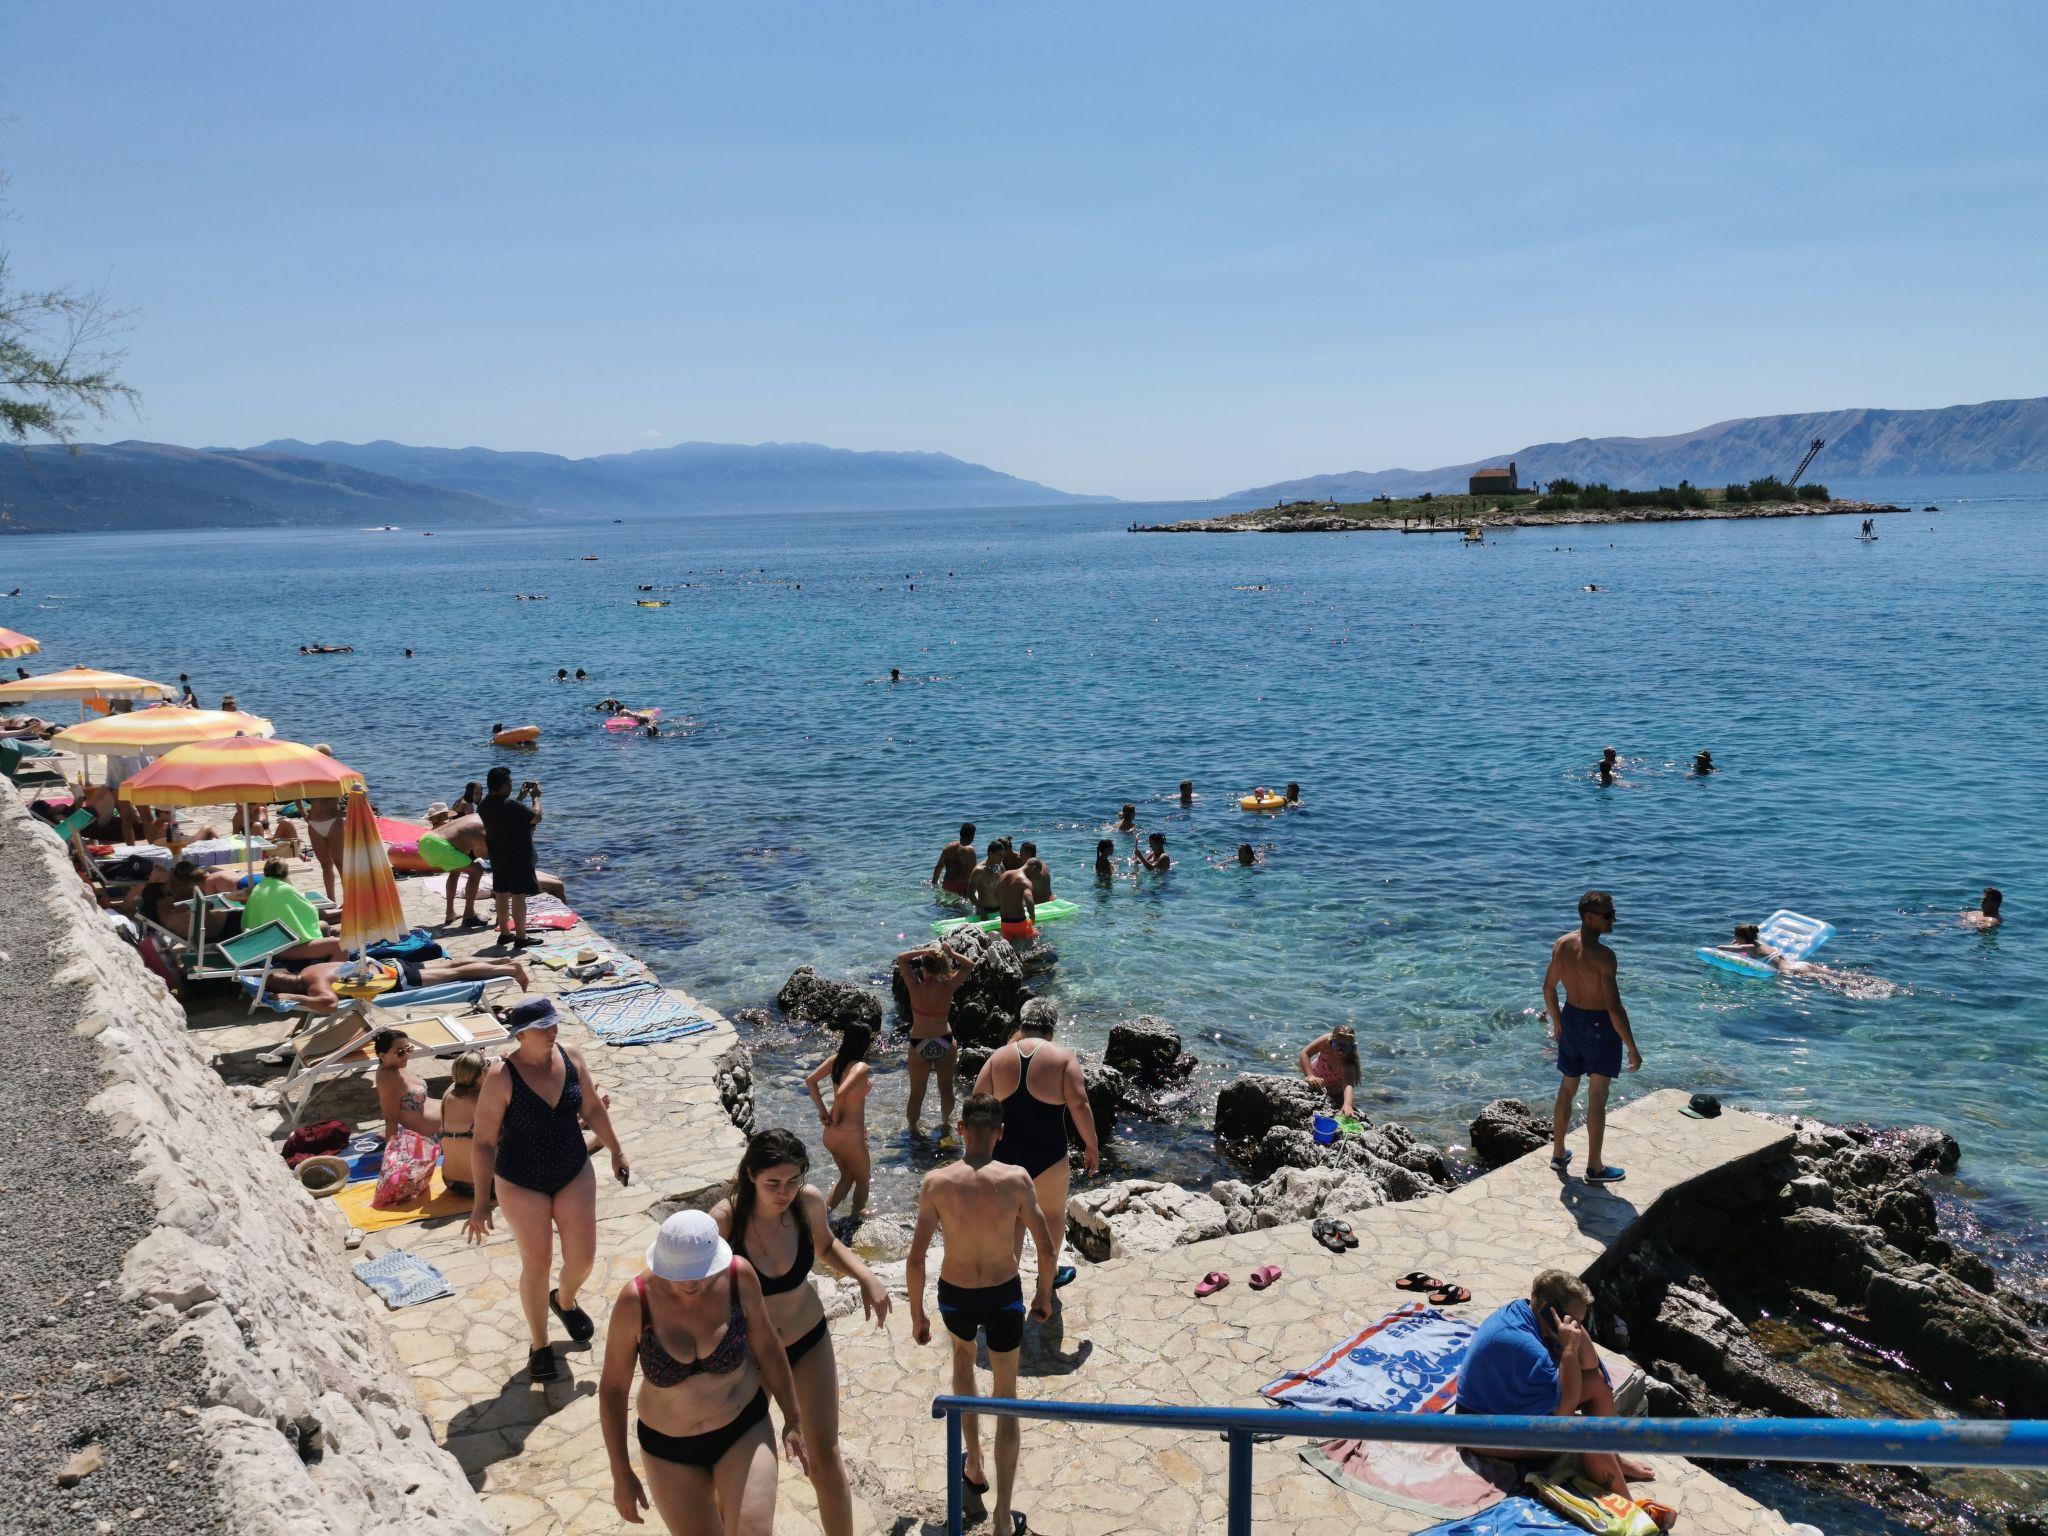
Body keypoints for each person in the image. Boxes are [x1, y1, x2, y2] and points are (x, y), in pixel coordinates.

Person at [710, 1131, 891, 1536]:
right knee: (741, 1465)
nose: (784, 1193)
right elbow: (692, 1288)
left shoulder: (807, 1203)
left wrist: (866, 1275)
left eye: (793, 1181)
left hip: (808, 1338)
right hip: (751, 1356)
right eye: (773, 1183)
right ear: (751, 1175)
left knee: (824, 1456)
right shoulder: (724, 1221)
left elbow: (825, 1247)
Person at [598, 1210, 806, 1535]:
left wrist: (793, 1418)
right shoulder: (635, 1302)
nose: (692, 1283)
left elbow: (768, 1345)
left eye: (700, 1272)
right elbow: (613, 1389)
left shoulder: (738, 1278)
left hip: (743, 1429)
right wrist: (620, 1472)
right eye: (681, 1274)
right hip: (669, 1451)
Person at [907, 1094, 1057, 1536]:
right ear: (1000, 1133)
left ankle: (973, 1464)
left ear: (961, 1128)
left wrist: (917, 1314)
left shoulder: (936, 1182)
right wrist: (1043, 1296)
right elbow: (1046, 1247)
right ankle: (1002, 1517)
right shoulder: (1016, 1179)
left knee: (962, 1364)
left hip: (956, 1295)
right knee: (1006, 1396)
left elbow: (916, 1258)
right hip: (1003, 1295)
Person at [468, 998, 629, 1382]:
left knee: (583, 1259)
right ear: (521, 1035)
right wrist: (480, 1202)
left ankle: (565, 1300)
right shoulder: (501, 1076)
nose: (552, 1031)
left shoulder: (571, 1056)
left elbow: (592, 1108)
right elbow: (484, 1142)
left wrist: (616, 1150)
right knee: (537, 1264)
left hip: (572, 1168)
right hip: (520, 1180)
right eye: (543, 1027)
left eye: (553, 1023)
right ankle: (540, 1344)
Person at [1456, 1269, 1652, 1499]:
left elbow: (1590, 1365)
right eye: (1573, 1320)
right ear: (1549, 1310)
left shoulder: (1528, 1310)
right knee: (1585, 1432)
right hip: (1480, 1431)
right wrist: (1569, 1349)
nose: (1577, 1328)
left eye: (1580, 1322)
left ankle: (1614, 1459)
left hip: (1508, 1408)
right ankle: (1627, 1504)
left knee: (1596, 1383)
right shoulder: (1525, 1346)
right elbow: (1563, 1413)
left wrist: (1573, 1330)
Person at [974, 1000, 1098, 1288]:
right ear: (1051, 1030)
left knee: (1013, 1219)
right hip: (1049, 1154)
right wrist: (1091, 1146)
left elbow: (977, 1104)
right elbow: (1080, 1104)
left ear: (1021, 1024)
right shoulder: (1063, 1058)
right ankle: (1048, 1276)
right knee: (1052, 1216)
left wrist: (975, 1155)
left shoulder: (998, 1058)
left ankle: (1005, 1284)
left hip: (1004, 1156)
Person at [1543, 891, 1641, 1183]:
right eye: (1608, 915)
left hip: (1572, 1019)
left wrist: (1558, 1023)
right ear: (1589, 917)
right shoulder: (1604, 956)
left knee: (1567, 1088)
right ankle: (1595, 1168)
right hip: (1599, 1026)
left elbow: (1548, 988)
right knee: (1597, 1097)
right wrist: (1632, 1047)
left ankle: (1558, 1153)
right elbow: (1613, 1006)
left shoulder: (1562, 944)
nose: (1614, 920)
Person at [269, 954, 530, 1013]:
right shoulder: (308, 970)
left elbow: (328, 1004)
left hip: (394, 979)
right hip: (387, 964)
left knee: (454, 974)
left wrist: (296, 999)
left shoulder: (314, 986)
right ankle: (500, 960)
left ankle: (509, 969)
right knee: (450, 966)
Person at [897, 943, 973, 1136]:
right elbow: (969, 965)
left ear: (924, 968)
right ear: (940, 968)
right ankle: (946, 1124)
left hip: (919, 1043)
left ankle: (913, 1130)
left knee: (917, 1093)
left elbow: (902, 958)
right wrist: (951, 953)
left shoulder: (914, 986)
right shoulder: (948, 986)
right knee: (946, 1089)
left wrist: (925, 951)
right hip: (944, 1041)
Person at [804, 1026, 874, 1216]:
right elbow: (842, 1093)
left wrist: (822, 1110)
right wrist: (834, 1116)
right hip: (849, 1134)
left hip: (831, 1134)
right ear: (865, 1043)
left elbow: (810, 1080)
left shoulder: (836, 1060)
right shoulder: (860, 1067)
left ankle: (823, 1217)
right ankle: (855, 1220)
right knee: (863, 1179)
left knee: (847, 1177)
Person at [480, 766, 543, 946]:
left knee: (501, 894)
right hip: (517, 855)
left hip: (497, 855)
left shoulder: (484, 805)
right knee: (518, 895)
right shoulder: (512, 806)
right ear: (503, 785)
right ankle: (521, 937)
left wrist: (520, 798)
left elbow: (506, 813)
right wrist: (535, 797)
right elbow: (536, 817)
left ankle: (505, 933)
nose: (511, 786)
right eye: (510, 783)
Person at [241, 860, 345, 965]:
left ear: (265, 872)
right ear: (286, 873)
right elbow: (310, 911)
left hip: (260, 944)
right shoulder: (285, 889)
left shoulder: (258, 887)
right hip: (278, 949)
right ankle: (329, 972)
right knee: (339, 945)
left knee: (323, 925)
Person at [439, 1051, 486, 1199]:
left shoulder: (448, 1094)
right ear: (480, 1075)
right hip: (483, 1186)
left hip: (450, 1181)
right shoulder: (481, 1102)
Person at [1298, 1025, 1360, 1117]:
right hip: (1315, 1081)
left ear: (1352, 1047)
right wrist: (1310, 1076)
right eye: (1337, 1046)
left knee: (1341, 1112)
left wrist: (1347, 1104)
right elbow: (1305, 1053)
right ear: (1331, 1042)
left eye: (1345, 1048)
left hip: (1335, 1092)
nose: (1340, 1051)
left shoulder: (1348, 1065)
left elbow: (1348, 1085)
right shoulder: (1326, 1042)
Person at [302, 793, 344, 902]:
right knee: (325, 865)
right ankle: (331, 900)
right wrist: (303, 813)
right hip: (314, 822)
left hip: (334, 821)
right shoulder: (309, 782)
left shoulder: (334, 781)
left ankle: (348, 901)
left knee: (340, 864)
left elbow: (353, 790)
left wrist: (346, 810)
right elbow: (296, 792)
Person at [994, 863, 1038, 945]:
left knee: (1009, 946)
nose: (1034, 877)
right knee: (1036, 936)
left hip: (1004, 923)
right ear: (1033, 868)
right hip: (1019, 923)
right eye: (1036, 874)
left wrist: (1006, 904)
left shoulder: (1004, 875)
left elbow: (995, 894)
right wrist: (1032, 917)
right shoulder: (1025, 881)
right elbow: (1029, 900)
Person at [931, 823, 977, 899]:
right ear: (972, 836)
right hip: (962, 888)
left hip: (947, 885)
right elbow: (974, 874)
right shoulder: (970, 851)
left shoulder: (948, 847)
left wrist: (934, 883)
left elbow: (938, 867)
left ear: (960, 833)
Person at [969, 839, 1010, 915]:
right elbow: (970, 894)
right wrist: (982, 911)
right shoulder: (979, 870)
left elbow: (1005, 888)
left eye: (1002, 855)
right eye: (999, 855)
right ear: (990, 854)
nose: (1002, 858)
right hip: (985, 910)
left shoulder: (1000, 866)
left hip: (1000, 909)